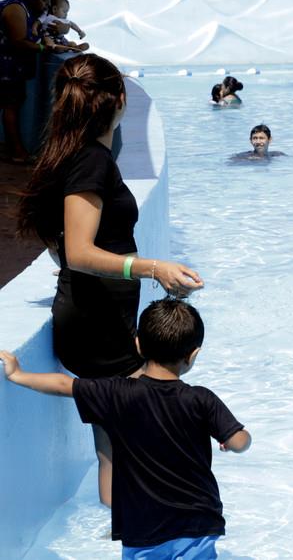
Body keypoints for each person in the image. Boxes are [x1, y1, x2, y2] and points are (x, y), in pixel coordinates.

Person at [17, 54, 204, 504]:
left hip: (100, 315)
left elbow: (63, 241)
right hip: (97, 325)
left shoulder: (77, 154)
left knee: (117, 447)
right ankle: (138, 532)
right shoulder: (90, 162)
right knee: (129, 444)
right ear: (120, 101)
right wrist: (151, 267)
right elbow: (79, 253)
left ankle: (120, 536)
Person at [1, 300, 250, 557]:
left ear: (138, 344)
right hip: (198, 522)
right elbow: (240, 442)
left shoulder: (116, 393)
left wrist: (19, 375)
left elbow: (65, 385)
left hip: (143, 527)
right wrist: (230, 441)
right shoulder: (202, 398)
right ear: (193, 354)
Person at [2, 0, 75, 162]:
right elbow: (18, 41)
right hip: (4, 69)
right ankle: (17, 153)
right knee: (10, 107)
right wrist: (44, 48)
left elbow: (54, 25)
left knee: (12, 105)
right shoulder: (15, 9)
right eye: (45, 0)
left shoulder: (33, 9)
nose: (48, 4)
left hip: (11, 68)